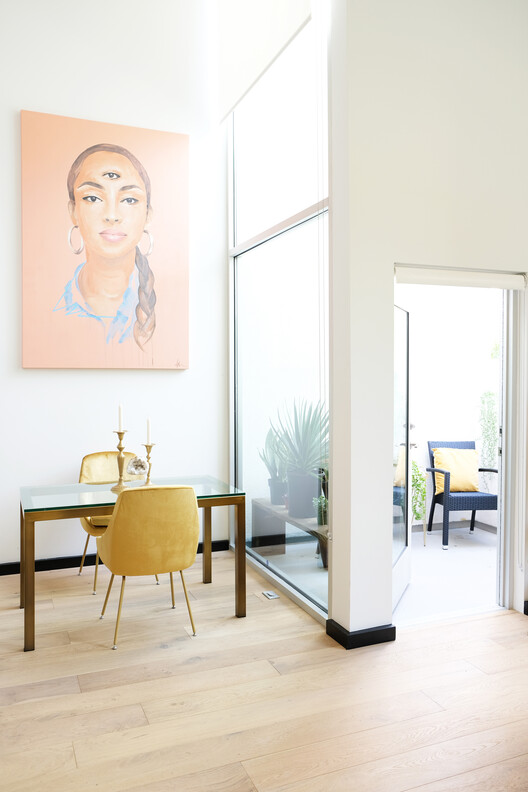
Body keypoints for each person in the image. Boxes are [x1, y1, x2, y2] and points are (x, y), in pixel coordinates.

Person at [54, 143, 156, 349]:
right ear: (73, 211)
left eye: (129, 199)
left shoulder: (175, 307)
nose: (111, 215)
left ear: (148, 215)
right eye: (93, 198)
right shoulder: (55, 309)